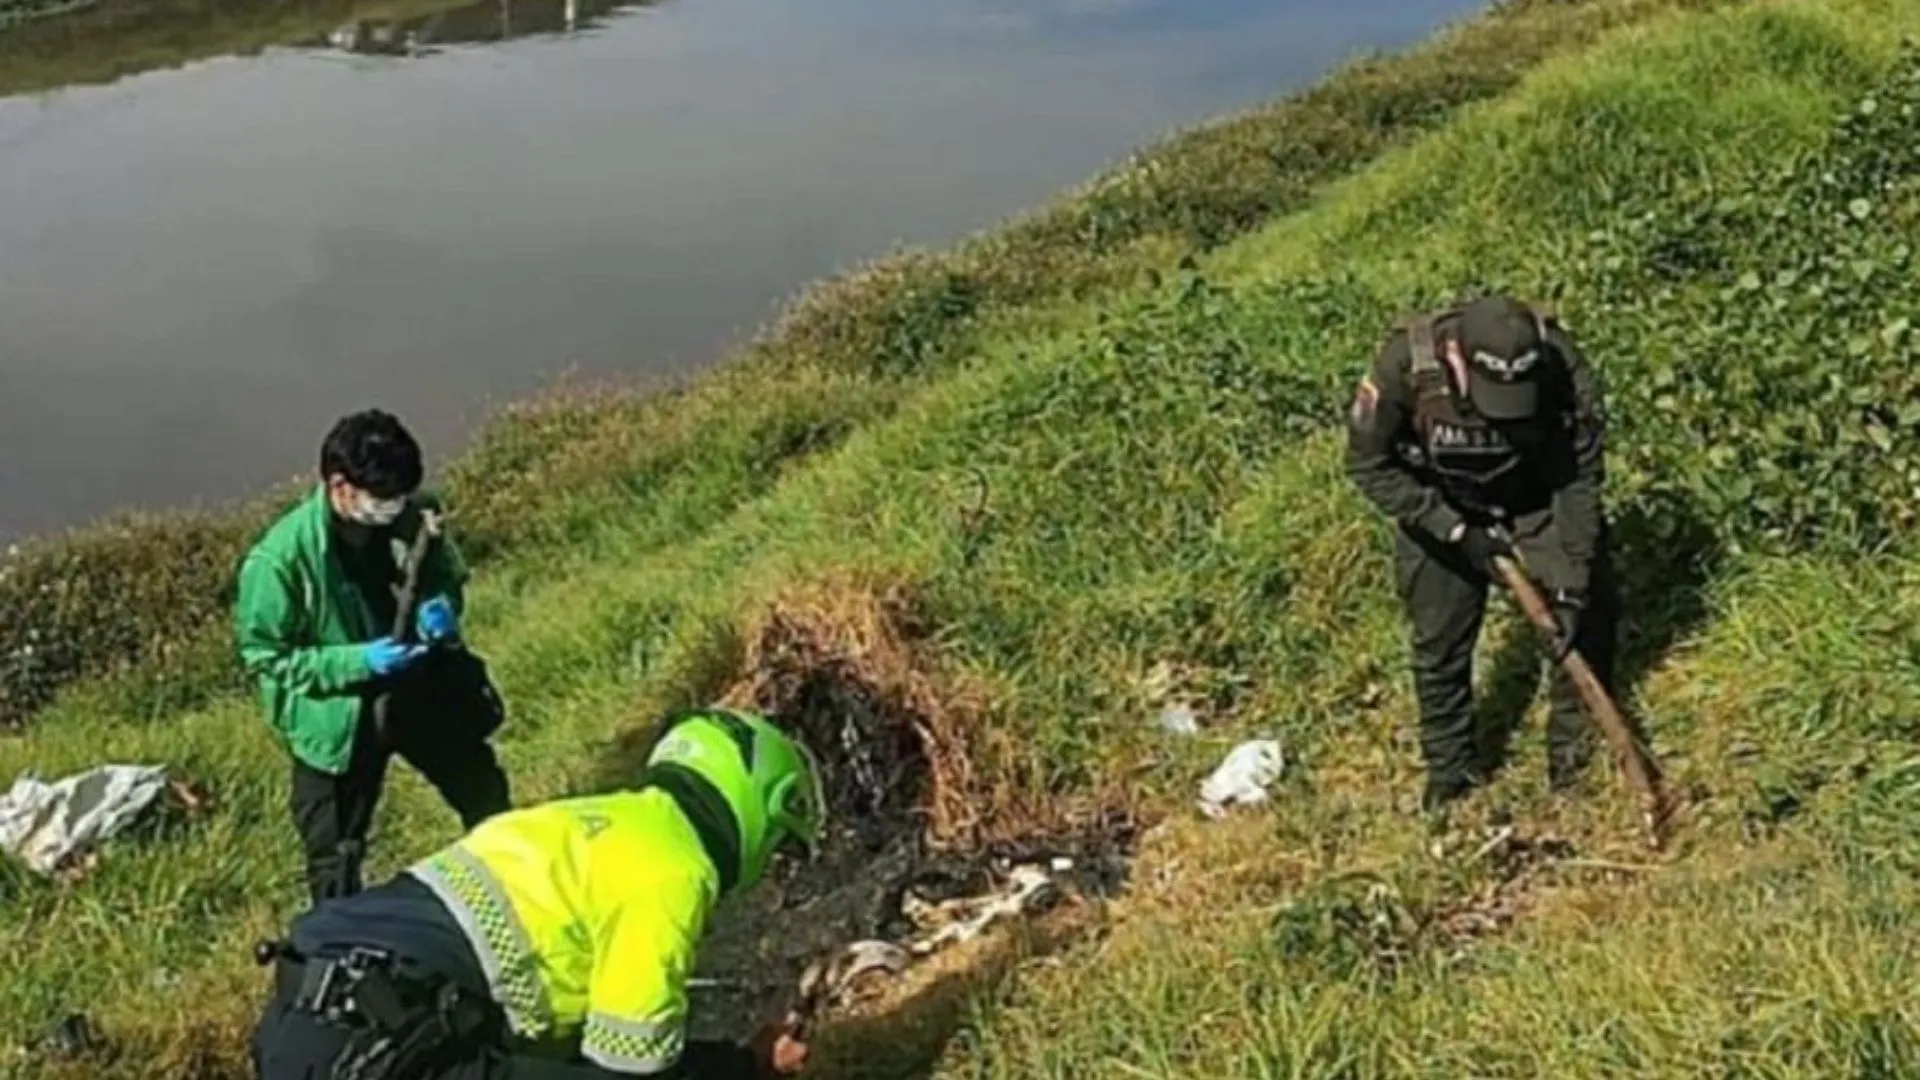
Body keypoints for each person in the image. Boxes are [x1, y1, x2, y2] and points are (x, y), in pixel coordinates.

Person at [247, 707, 827, 1080]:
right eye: (777, 847)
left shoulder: (588, 818)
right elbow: (633, 1067)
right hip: (387, 1045)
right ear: (756, 812)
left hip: (309, 1014)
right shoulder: (675, 869)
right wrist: (747, 1065)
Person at [1343, 294, 1618, 813]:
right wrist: (1452, 529)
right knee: (1439, 642)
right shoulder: (1405, 364)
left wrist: (1573, 572)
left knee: (1583, 617)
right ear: (1454, 359)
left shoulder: (1561, 363)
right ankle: (1452, 777)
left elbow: (1580, 475)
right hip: (1441, 503)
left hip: (1535, 500)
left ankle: (1575, 768)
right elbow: (1368, 466)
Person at [235, 408, 512, 907]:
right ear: (339, 486)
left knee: (485, 795)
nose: (394, 507)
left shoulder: (416, 514)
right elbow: (270, 658)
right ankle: (338, 956)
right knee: (335, 858)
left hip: (420, 684)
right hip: (339, 719)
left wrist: (442, 605)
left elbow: (447, 575)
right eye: (382, 498)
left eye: (400, 496)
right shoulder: (279, 562)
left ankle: (515, 890)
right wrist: (359, 662)